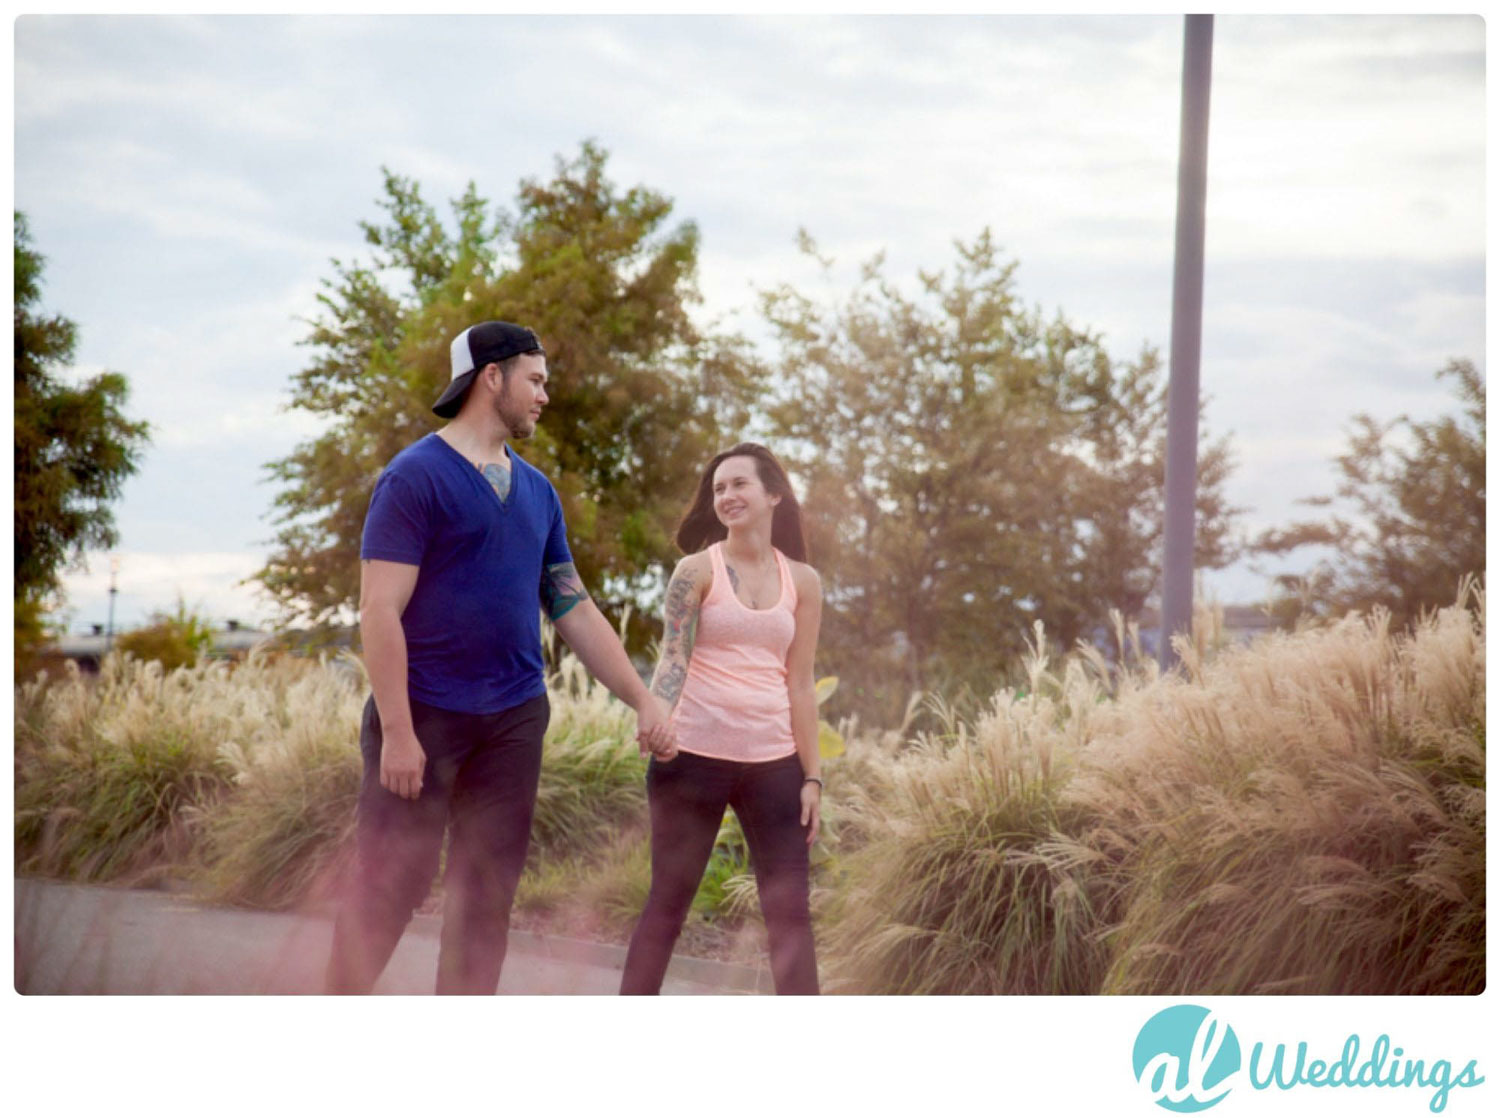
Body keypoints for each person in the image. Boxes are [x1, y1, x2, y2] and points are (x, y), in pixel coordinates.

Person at [325, 319, 673, 995]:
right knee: (393, 886)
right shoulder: (414, 478)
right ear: (493, 377)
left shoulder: (538, 493)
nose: (544, 395)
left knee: (487, 898)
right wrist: (397, 732)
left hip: (513, 718)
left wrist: (642, 695)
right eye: (535, 380)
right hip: (423, 715)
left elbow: (572, 606)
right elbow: (378, 611)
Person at [621, 442, 823, 995]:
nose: (727, 496)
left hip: (774, 766)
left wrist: (812, 776)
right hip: (691, 759)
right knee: (667, 904)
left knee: (790, 917)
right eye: (718, 489)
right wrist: (656, 717)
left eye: (739, 485)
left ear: (773, 493)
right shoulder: (695, 571)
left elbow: (800, 685)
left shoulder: (803, 581)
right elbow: (673, 658)